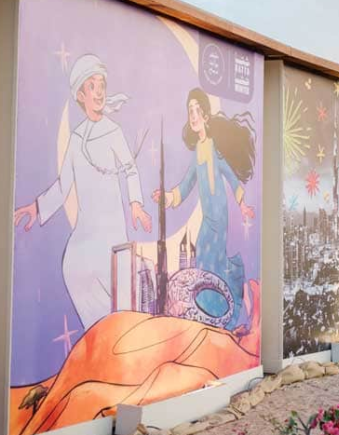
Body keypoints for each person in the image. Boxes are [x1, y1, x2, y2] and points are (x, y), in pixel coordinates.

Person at [14, 54, 151, 329]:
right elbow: (65, 184)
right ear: (80, 94)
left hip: (112, 234)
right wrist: (37, 207)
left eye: (102, 84)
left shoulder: (114, 132)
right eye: (92, 85)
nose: (99, 91)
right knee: (73, 269)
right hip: (86, 236)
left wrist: (136, 203)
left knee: (123, 302)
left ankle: (119, 342)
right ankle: (100, 337)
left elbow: (131, 169)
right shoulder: (77, 139)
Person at [153, 88, 255, 332]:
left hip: (219, 219)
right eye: (191, 111)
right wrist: (166, 197)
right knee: (204, 260)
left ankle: (221, 317)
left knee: (213, 265)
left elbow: (231, 178)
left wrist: (242, 206)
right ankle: (213, 315)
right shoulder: (197, 152)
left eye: (198, 110)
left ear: (207, 116)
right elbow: (186, 185)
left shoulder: (215, 148)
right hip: (208, 219)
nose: (194, 115)